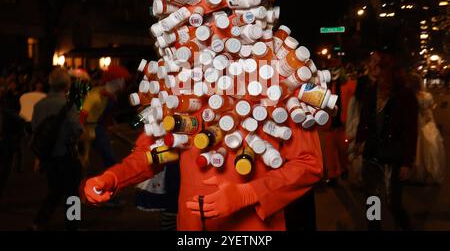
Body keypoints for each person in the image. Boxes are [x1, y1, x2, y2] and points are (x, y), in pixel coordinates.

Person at [83, 114, 323, 230]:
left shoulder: (279, 83)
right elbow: (151, 153)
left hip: (255, 229)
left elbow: (308, 163)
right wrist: (113, 177)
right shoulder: (179, 86)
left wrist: (250, 193)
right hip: (191, 228)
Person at [356, 50, 418, 231]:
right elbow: (364, 119)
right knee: (372, 199)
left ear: (387, 69)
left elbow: (410, 131)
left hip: (395, 156)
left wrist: (407, 161)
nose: (370, 66)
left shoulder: (405, 95)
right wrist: (359, 141)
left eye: (375, 63)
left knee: (394, 204)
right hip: (372, 154)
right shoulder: (369, 91)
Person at [30, 68, 83, 231]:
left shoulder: (39, 105)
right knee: (73, 191)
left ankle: (39, 222)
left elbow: (35, 129)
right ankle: (72, 225)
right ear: (67, 86)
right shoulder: (68, 105)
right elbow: (77, 129)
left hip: (48, 155)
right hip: (66, 154)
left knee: (54, 190)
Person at [79, 65, 130, 169]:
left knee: (104, 157)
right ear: (115, 81)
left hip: (95, 127)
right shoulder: (95, 96)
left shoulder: (108, 95)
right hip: (91, 128)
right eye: (122, 80)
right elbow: (83, 114)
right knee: (107, 157)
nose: (123, 83)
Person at [409, 74, 446, 184]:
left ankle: (417, 173)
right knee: (430, 147)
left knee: (417, 147)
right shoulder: (427, 96)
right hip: (428, 122)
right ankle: (429, 172)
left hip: (416, 122)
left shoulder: (411, 96)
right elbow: (431, 107)